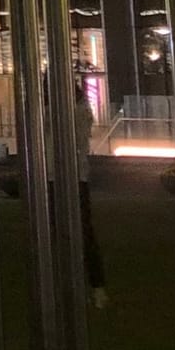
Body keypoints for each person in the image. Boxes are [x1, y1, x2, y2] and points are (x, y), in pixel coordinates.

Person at [73, 81, 109, 309]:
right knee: (83, 233)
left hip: (70, 176)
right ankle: (93, 288)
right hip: (72, 176)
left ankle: (95, 287)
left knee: (83, 233)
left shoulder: (80, 112)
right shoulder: (83, 111)